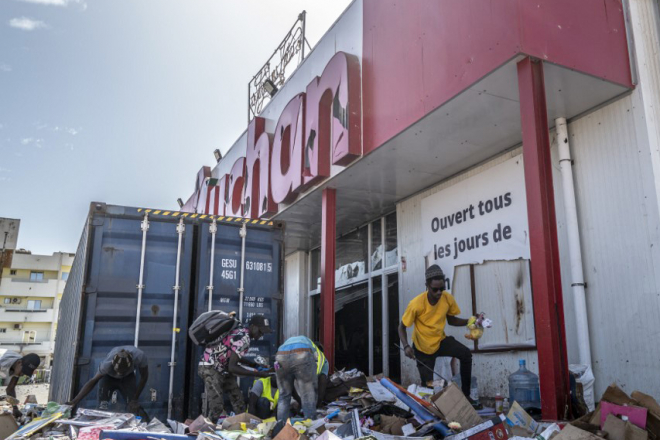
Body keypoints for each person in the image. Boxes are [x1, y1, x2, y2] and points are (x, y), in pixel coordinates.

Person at [398, 264, 479, 406]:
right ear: (427, 286)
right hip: (422, 347)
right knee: (429, 384)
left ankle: (466, 396)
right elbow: (401, 327)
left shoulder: (447, 298)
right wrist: (405, 346)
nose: (439, 292)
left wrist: (471, 321)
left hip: (440, 341)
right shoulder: (416, 304)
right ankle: (433, 405)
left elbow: (452, 320)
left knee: (466, 354)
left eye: (442, 288)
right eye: (435, 289)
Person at [199, 314, 273, 421]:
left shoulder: (241, 331)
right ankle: (209, 432)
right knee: (217, 407)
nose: (261, 335)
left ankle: (243, 427)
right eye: (260, 331)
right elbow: (232, 367)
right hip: (210, 367)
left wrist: (254, 365)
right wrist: (258, 373)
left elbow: (234, 355)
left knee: (238, 401)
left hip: (221, 368)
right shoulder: (244, 339)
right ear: (253, 327)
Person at [67, 346, 149, 417]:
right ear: (113, 365)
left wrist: (135, 399)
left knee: (133, 406)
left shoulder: (140, 357)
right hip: (108, 378)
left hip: (128, 378)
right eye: (118, 372)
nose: (119, 374)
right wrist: (74, 401)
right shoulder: (106, 366)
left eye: (122, 372)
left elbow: (144, 377)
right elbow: (93, 381)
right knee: (102, 406)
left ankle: (137, 427)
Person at [275, 336, 328, 423]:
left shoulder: (305, 342)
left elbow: (290, 388)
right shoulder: (322, 357)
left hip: (280, 353)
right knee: (307, 394)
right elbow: (323, 381)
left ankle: (280, 428)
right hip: (302, 352)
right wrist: (318, 403)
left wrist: (299, 401)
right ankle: (310, 428)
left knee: (284, 395)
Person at [0, 350, 40, 418]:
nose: (22, 374)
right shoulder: (2, 362)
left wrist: (15, 408)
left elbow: (10, 389)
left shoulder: (20, 364)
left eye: (25, 373)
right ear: (19, 362)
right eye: (23, 371)